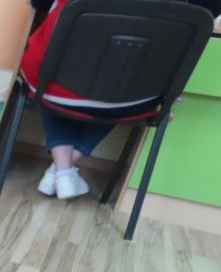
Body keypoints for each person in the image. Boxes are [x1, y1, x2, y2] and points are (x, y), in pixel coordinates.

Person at [22, 0, 221, 200]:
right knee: (121, 89)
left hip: (52, 88)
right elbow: (209, 15)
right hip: (133, 99)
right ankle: (63, 171)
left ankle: (62, 169)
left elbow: (39, 2)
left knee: (54, 77)